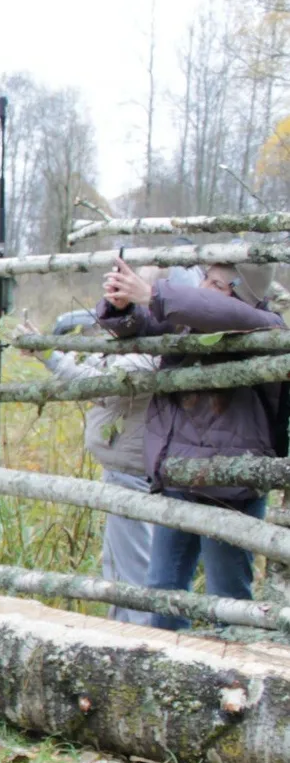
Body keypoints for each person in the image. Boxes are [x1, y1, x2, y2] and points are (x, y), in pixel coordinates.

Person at [97, 257, 288, 630]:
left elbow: (219, 312)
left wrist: (154, 292)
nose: (204, 290)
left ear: (243, 294)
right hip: (179, 476)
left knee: (228, 596)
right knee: (163, 591)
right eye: (206, 280)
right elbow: (146, 325)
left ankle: (236, 677)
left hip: (230, 487)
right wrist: (125, 307)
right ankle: (165, 677)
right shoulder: (193, 322)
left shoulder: (265, 325)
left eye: (216, 284)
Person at [19, 300, 160, 623]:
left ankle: (137, 636)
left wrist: (49, 356)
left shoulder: (146, 356)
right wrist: (48, 351)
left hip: (132, 472)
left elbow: (100, 383)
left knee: (133, 569)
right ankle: (124, 629)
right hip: (124, 468)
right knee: (120, 564)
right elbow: (94, 367)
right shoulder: (134, 349)